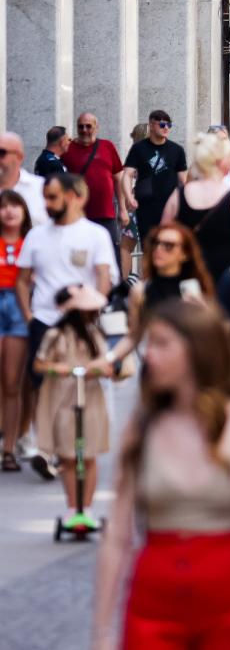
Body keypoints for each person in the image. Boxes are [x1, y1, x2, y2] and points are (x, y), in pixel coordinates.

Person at [92, 301, 230, 650]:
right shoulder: (141, 427)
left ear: (196, 349)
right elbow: (117, 536)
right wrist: (102, 631)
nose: (149, 356)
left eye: (162, 344)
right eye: (149, 344)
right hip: (155, 601)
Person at [16, 174, 116, 480]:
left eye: (53, 197)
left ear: (74, 197)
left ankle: (68, 449)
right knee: (41, 384)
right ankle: (43, 447)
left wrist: (93, 308)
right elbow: (22, 279)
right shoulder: (36, 236)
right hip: (45, 320)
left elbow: (104, 276)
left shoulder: (95, 234)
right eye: (45, 197)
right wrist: (29, 315)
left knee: (77, 387)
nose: (47, 204)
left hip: (81, 324)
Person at [31, 285, 111, 530]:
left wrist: (96, 369)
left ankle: (85, 508)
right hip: (64, 400)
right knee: (68, 456)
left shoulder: (95, 334)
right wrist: (61, 369)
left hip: (91, 398)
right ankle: (72, 507)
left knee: (89, 456)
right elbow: (39, 364)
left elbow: (109, 365)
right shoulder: (56, 335)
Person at [161, 132, 230, 279]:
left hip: (188, 276)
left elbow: (163, 236)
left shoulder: (178, 196)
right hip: (227, 278)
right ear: (220, 161)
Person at [121, 110, 188, 247]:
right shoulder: (138, 149)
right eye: (162, 125)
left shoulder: (177, 150)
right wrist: (129, 197)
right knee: (149, 247)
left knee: (168, 245)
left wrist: (187, 203)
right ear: (151, 125)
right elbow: (127, 174)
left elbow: (184, 180)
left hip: (170, 206)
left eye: (169, 125)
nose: (166, 128)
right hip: (146, 207)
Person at [0, 190, 33, 473]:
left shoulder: (31, 242)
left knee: (13, 382)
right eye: (3, 207)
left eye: (14, 206)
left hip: (19, 307)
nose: (9, 212)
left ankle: (9, 448)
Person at [61, 112, 126, 249]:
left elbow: (118, 179)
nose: (84, 130)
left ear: (96, 127)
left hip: (105, 214)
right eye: (81, 127)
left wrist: (123, 209)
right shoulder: (67, 149)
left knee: (110, 254)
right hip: (78, 215)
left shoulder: (108, 146)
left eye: (88, 126)